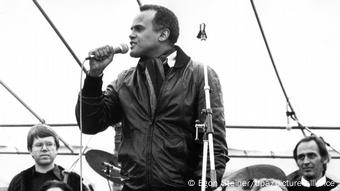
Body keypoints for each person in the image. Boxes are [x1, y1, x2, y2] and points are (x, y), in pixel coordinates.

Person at [75, 4, 228, 191]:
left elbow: (215, 149)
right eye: (131, 29)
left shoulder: (199, 75)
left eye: (138, 29)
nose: (131, 35)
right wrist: (93, 76)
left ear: (163, 35)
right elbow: (90, 124)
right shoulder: (125, 80)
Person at [7, 124, 87, 191]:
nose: (44, 149)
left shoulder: (73, 180)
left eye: (49, 144)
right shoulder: (19, 181)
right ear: (30, 150)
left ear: (57, 149)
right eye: (39, 145)